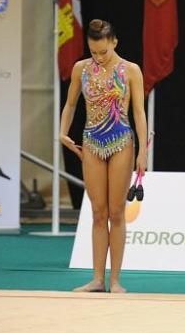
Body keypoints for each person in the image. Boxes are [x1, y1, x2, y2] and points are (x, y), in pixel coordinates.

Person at [59, 19, 148, 293]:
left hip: (121, 141)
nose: (98, 57)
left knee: (116, 211)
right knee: (98, 213)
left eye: (103, 52)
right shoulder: (81, 69)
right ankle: (98, 278)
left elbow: (138, 113)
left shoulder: (130, 70)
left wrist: (142, 151)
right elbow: (71, 103)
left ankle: (116, 280)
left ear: (114, 42)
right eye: (93, 52)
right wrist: (62, 132)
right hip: (91, 142)